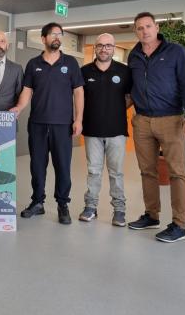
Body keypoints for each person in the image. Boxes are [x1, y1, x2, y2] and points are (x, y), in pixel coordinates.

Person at [127, 12, 185, 243]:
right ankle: (151, 215)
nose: (144, 31)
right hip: (142, 121)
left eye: (148, 26)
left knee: (177, 173)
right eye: (139, 28)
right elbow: (131, 88)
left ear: (156, 27)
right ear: (135, 31)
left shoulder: (175, 52)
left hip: (171, 119)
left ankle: (179, 225)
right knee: (147, 171)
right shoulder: (134, 55)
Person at [11, 22, 84, 225]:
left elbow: (78, 92)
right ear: (43, 38)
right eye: (52, 34)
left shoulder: (70, 63)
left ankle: (62, 205)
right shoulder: (33, 64)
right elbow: (27, 90)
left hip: (63, 125)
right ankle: (37, 202)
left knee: (63, 167)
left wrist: (78, 119)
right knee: (37, 166)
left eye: (59, 34)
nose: (57, 37)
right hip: (38, 124)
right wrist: (18, 107)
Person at [78, 33, 132, 227]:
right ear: (95, 48)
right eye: (100, 45)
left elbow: (130, 96)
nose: (104, 49)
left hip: (117, 131)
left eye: (108, 46)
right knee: (93, 171)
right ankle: (90, 207)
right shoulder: (84, 71)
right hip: (92, 131)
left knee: (116, 173)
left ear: (114, 48)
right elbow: (78, 98)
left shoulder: (124, 71)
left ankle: (119, 210)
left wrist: (114, 110)